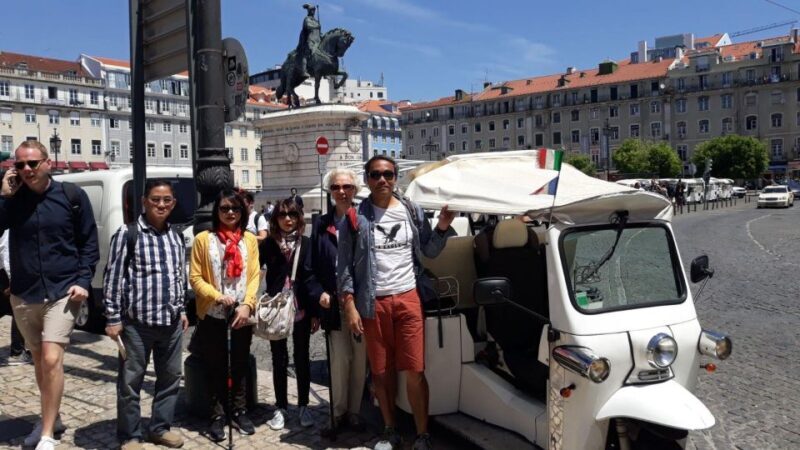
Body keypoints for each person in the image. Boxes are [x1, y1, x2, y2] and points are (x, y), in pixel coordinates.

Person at [338, 155, 456, 450]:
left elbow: (429, 250)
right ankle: (390, 429)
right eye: (376, 175)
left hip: (408, 298)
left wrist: (441, 227)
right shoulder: (355, 218)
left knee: (415, 370)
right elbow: (344, 268)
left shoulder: (411, 210)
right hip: (373, 303)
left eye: (388, 175)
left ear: (395, 178)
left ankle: (422, 434)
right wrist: (349, 304)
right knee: (380, 371)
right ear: (366, 180)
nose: (382, 180)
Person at [0, 140, 99, 450]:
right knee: (41, 363)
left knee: (53, 358)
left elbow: (88, 242)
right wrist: (4, 195)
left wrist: (83, 280)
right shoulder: (13, 201)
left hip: (62, 291)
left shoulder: (72, 196)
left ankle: (45, 435)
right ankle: (51, 417)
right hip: (25, 292)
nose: (26, 170)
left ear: (48, 163)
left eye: (33, 163)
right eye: (20, 165)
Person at [103, 180, 188, 450]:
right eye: (155, 199)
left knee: (170, 379)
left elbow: (178, 276)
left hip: (171, 324)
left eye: (166, 200)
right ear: (144, 202)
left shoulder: (175, 236)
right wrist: (113, 318)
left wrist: (182, 308)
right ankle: (130, 435)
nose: (161, 205)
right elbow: (113, 278)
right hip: (136, 325)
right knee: (130, 382)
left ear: (173, 203)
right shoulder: (128, 234)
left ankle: (160, 427)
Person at [189, 190, 260, 442]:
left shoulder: (248, 240)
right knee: (215, 365)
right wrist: (216, 295)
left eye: (235, 209)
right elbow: (195, 277)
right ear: (216, 211)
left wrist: (248, 305)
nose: (230, 213)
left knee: (239, 363)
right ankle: (217, 414)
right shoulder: (203, 239)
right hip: (213, 311)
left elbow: (253, 276)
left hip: (240, 312)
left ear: (242, 212)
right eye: (225, 208)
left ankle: (239, 410)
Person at [312, 168, 367, 437]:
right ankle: (337, 412)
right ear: (330, 191)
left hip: (363, 303)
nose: (342, 192)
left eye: (347, 187)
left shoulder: (365, 219)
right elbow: (310, 269)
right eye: (336, 187)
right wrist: (319, 292)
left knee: (359, 360)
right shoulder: (321, 225)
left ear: (355, 190)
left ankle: (354, 413)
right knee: (339, 359)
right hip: (334, 303)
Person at [261, 199, 322, 431]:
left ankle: (304, 405)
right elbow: (253, 268)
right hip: (277, 309)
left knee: (302, 357)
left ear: (299, 218)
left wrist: (316, 311)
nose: (288, 219)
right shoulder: (268, 245)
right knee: (279, 358)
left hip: (301, 308)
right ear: (276, 218)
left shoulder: (306, 244)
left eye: (293, 215)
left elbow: (312, 276)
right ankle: (281, 406)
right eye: (283, 215)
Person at [1, 228, 33, 366]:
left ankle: (18, 350)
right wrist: (12, 277)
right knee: (20, 308)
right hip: (6, 273)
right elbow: (6, 249)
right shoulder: (10, 218)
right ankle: (17, 352)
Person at [296, 3, 320, 78]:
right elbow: (307, 26)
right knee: (307, 53)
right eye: (312, 10)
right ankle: (303, 71)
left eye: (314, 10)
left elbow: (319, 31)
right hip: (309, 40)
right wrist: (317, 26)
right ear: (309, 11)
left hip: (317, 39)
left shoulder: (316, 20)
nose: (313, 12)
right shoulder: (307, 19)